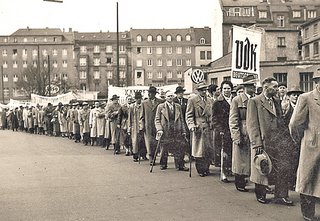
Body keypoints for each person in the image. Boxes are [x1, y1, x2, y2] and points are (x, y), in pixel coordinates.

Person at [247, 77, 293, 205]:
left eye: (278, 86)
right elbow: (252, 124)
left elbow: (279, 120)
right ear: (266, 88)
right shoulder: (254, 101)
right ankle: (260, 194)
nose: (277, 89)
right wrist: (256, 144)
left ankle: (281, 195)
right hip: (262, 141)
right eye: (275, 87)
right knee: (262, 166)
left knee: (282, 167)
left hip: (277, 141)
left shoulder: (276, 100)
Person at [289, 73, 320, 221]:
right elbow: (295, 124)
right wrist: (304, 139)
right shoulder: (306, 98)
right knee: (308, 179)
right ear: (317, 82)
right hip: (311, 146)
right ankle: (307, 213)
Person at [229, 75, 256, 192]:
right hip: (242, 131)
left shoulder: (255, 99)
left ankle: (253, 181)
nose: (253, 88)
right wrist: (236, 136)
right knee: (240, 160)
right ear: (245, 87)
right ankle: (239, 183)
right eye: (250, 86)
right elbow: (233, 120)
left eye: (253, 85)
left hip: (253, 131)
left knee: (252, 158)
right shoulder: (237, 100)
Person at [155, 91, 189, 171]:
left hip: (177, 129)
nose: (170, 97)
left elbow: (181, 119)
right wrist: (159, 129)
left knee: (179, 148)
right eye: (168, 96)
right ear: (165, 97)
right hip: (165, 129)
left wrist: (183, 130)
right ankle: (163, 164)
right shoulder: (161, 106)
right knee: (164, 148)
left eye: (171, 96)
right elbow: (157, 119)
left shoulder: (178, 106)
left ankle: (180, 165)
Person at [186, 82, 213, 177]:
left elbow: (212, 113)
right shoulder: (192, 100)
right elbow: (189, 115)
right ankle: (200, 169)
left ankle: (207, 168)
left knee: (208, 149)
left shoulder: (210, 100)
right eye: (201, 90)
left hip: (209, 127)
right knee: (199, 150)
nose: (203, 91)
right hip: (198, 127)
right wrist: (191, 125)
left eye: (205, 89)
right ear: (198, 91)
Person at [281, 86, 304, 191]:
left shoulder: (302, 106)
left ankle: (295, 181)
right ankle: (290, 182)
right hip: (287, 138)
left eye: (298, 95)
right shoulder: (284, 107)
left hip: (299, 138)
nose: (296, 97)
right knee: (289, 161)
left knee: (299, 160)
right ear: (289, 97)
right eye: (294, 95)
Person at [212, 80, 233, 182]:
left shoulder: (235, 100)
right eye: (224, 88)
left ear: (231, 89)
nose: (226, 90)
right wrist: (220, 129)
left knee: (233, 151)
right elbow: (214, 119)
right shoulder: (217, 103)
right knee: (224, 152)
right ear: (221, 90)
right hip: (223, 130)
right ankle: (223, 173)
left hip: (233, 129)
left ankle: (232, 170)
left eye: (228, 88)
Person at [140, 86, 164, 165]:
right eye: (149, 93)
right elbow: (142, 116)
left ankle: (158, 157)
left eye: (152, 93)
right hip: (148, 126)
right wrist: (142, 126)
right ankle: (151, 158)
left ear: (154, 94)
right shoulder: (144, 103)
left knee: (158, 142)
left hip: (158, 125)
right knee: (150, 142)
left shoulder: (161, 102)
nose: (150, 94)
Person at [128, 91, 147, 162]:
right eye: (137, 98)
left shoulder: (143, 105)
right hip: (134, 126)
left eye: (139, 98)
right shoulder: (132, 107)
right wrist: (129, 128)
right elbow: (130, 118)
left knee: (143, 140)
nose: (138, 100)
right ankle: (135, 155)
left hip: (142, 125)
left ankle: (143, 154)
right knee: (135, 141)